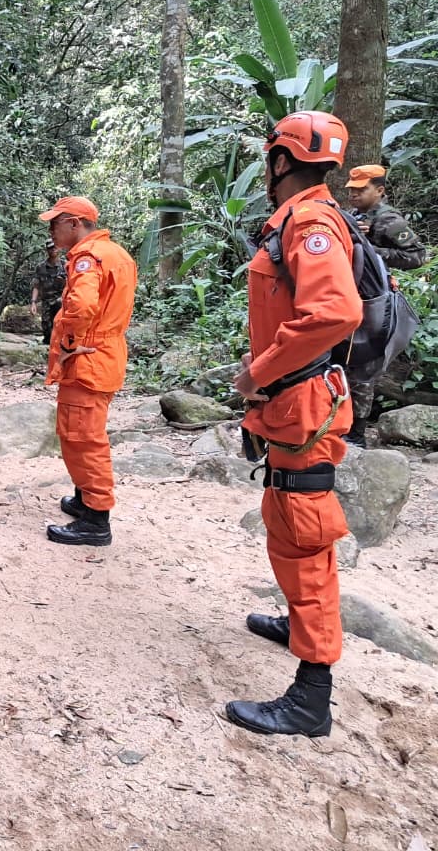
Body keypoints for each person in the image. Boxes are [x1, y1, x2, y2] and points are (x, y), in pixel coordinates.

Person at [225, 110, 363, 738]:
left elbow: (335, 311)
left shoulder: (308, 221)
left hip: (304, 402)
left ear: (281, 161)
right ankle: (295, 621)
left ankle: (311, 696)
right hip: (291, 402)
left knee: (305, 533)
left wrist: (259, 373)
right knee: (286, 519)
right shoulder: (301, 219)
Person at [41, 196, 136, 547]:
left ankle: (96, 520)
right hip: (106, 354)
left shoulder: (88, 257)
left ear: (75, 224)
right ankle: (84, 500)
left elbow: (81, 306)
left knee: (83, 437)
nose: (51, 229)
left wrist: (68, 341)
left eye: (55, 222)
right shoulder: (117, 254)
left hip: (89, 359)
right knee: (82, 431)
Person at [342, 163, 428, 446]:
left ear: (379, 191)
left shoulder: (388, 219)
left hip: (375, 302)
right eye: (351, 190)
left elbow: (418, 257)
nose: (354, 195)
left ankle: (356, 434)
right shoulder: (357, 215)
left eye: (360, 190)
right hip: (351, 297)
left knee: (363, 365)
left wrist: (369, 247)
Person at [30, 240, 67, 346]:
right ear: (47, 250)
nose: (53, 250)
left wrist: (64, 282)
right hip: (46, 301)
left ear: (59, 249)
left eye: (55, 247)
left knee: (61, 325)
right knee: (46, 329)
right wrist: (33, 302)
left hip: (61, 300)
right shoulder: (41, 267)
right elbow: (36, 285)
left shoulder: (66, 265)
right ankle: (47, 348)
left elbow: (74, 284)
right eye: (50, 248)